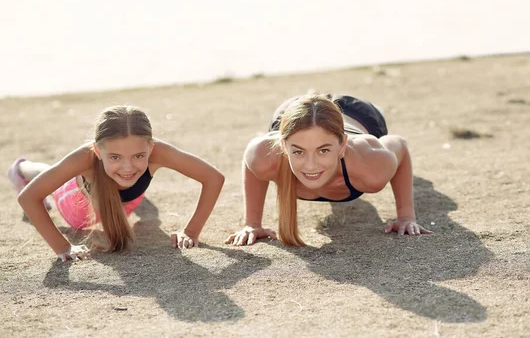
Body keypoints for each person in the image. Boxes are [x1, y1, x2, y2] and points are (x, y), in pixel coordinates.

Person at [9, 105, 225, 261]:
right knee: (50, 176)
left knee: (133, 188)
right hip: (77, 206)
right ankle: (21, 168)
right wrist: (63, 247)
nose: (128, 166)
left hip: (128, 200)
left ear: (150, 147)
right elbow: (29, 197)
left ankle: (125, 185)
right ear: (97, 150)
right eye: (115, 157)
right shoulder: (84, 158)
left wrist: (192, 231)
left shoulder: (159, 152)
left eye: (139, 156)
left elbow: (214, 178)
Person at [225, 93, 433, 247]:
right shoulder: (265, 155)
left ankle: (362, 106)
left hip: (357, 113)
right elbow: (250, 160)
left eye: (323, 151)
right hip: (293, 110)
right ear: (283, 147)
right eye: (299, 152)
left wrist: (406, 216)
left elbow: (400, 146)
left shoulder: (371, 166)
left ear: (342, 145)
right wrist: (252, 223)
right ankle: (311, 100)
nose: (311, 165)